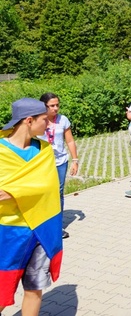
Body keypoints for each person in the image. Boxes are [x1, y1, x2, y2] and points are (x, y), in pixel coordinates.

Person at [0, 98, 62, 316]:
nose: (49, 124)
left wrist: (14, 191)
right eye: (45, 119)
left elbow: (49, 186)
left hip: (42, 228)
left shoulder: (44, 150)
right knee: (2, 288)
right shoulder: (1, 152)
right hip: (9, 230)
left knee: (35, 288)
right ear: (28, 120)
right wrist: (26, 189)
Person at [38, 93, 79, 239]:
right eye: (52, 106)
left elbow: (70, 141)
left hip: (60, 161)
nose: (56, 108)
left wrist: (75, 160)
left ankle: (57, 227)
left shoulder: (63, 120)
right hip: (42, 163)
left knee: (58, 193)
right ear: (44, 106)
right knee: (43, 193)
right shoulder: (38, 120)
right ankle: (41, 225)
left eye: (57, 105)